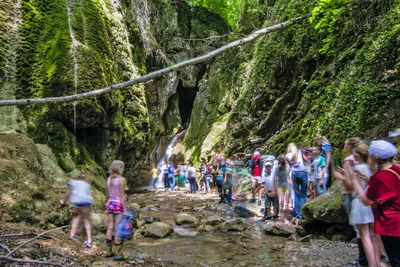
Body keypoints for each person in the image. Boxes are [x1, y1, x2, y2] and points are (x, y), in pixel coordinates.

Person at [344, 140, 400, 267]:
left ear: (376, 156)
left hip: (391, 224)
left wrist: (355, 182)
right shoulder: (395, 170)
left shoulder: (381, 177)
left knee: (396, 260)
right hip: (397, 221)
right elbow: (387, 190)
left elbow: (368, 201)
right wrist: (367, 179)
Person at [335, 143, 381, 267]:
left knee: (365, 237)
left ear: (357, 155)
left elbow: (351, 186)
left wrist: (342, 176)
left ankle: (371, 264)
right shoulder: (372, 168)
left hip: (360, 202)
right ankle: (376, 263)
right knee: (373, 236)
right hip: (371, 203)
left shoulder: (358, 168)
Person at [60, 174, 93, 248]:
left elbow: (68, 194)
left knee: (79, 217)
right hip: (86, 202)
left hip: (77, 202)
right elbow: (89, 194)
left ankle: (72, 235)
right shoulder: (87, 184)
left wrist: (63, 202)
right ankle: (89, 240)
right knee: (86, 220)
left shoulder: (73, 182)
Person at [105, 160, 128, 261]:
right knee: (118, 228)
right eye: (122, 168)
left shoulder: (109, 178)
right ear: (119, 168)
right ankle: (118, 254)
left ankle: (109, 251)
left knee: (110, 227)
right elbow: (122, 196)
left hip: (110, 204)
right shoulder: (121, 180)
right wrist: (124, 209)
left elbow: (107, 193)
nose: (123, 170)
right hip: (118, 204)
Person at [286, 143, 308, 220]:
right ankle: (302, 213)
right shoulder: (300, 152)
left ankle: (297, 212)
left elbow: (290, 165)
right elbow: (306, 160)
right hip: (303, 172)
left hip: (294, 174)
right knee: (303, 194)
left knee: (296, 194)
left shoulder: (287, 155)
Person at [276, 155, 290, 224]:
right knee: (286, 203)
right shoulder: (287, 168)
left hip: (280, 187)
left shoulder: (277, 169)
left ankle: (281, 219)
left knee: (281, 203)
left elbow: (276, 176)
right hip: (286, 186)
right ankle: (285, 219)